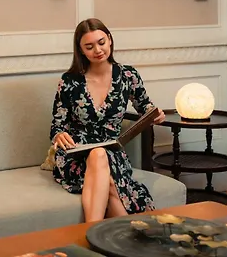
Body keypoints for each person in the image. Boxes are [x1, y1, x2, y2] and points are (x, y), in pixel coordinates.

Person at [50, 18, 165, 222]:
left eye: (101, 42)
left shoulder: (128, 76)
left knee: (103, 163)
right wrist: (60, 135)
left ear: (110, 39)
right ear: (81, 50)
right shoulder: (69, 81)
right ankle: (128, 235)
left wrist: (155, 114)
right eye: (89, 46)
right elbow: (57, 125)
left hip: (112, 153)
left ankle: (92, 232)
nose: (97, 50)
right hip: (77, 156)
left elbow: (145, 107)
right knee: (99, 157)